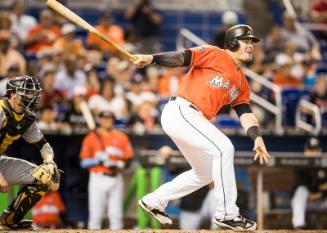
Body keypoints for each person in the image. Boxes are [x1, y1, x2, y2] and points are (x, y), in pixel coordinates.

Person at [132, 24, 271, 231]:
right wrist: (152, 59)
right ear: (233, 42)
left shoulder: (241, 81)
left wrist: (257, 137)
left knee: (204, 173)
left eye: (252, 42)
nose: (251, 46)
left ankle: (155, 200)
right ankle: (227, 213)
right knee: (224, 148)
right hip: (181, 110)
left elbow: (245, 112)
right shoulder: (215, 54)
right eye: (246, 41)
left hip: (192, 118)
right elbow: (182, 58)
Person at [0, 75, 59, 229]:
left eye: (33, 93)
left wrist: (49, 162)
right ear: (13, 94)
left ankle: (10, 220)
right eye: (27, 92)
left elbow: (43, 144)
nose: (31, 96)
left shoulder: (27, 117)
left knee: (43, 177)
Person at [79, 110, 134, 229]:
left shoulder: (121, 137)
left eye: (110, 118)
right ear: (100, 120)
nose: (107, 121)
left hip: (116, 177)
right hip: (98, 177)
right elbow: (83, 162)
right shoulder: (91, 137)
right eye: (104, 118)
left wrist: (120, 164)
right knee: (96, 215)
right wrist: (98, 160)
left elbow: (129, 159)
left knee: (116, 216)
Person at [291, 137, 326, 229]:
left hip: (323, 201)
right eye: (311, 150)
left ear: (320, 151)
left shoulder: (325, 164)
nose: (313, 153)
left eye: (315, 150)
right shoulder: (300, 166)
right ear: (305, 151)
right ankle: (299, 225)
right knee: (301, 191)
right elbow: (299, 185)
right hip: (305, 201)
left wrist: (320, 194)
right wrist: (318, 190)